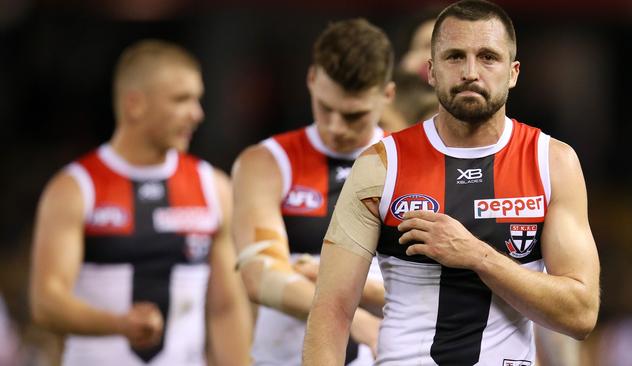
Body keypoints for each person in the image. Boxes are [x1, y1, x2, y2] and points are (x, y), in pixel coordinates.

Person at [303, 1, 601, 365]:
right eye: (455, 57)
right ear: (430, 71)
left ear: (513, 72)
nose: (470, 72)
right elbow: (331, 310)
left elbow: (580, 315)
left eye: (488, 57)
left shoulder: (553, 162)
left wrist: (478, 256)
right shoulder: (381, 165)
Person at [29, 39, 251, 366]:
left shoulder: (213, 187)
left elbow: (227, 307)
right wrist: (118, 324)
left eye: (197, 99)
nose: (197, 114)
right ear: (135, 105)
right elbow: (46, 302)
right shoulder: (75, 188)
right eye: (181, 100)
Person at [231, 18, 395, 366]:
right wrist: (358, 318)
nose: (336, 127)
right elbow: (259, 276)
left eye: (354, 116)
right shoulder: (267, 162)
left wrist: (332, 279)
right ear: (310, 80)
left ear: (387, 95)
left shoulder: (411, 162)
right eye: (326, 108)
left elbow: (439, 289)